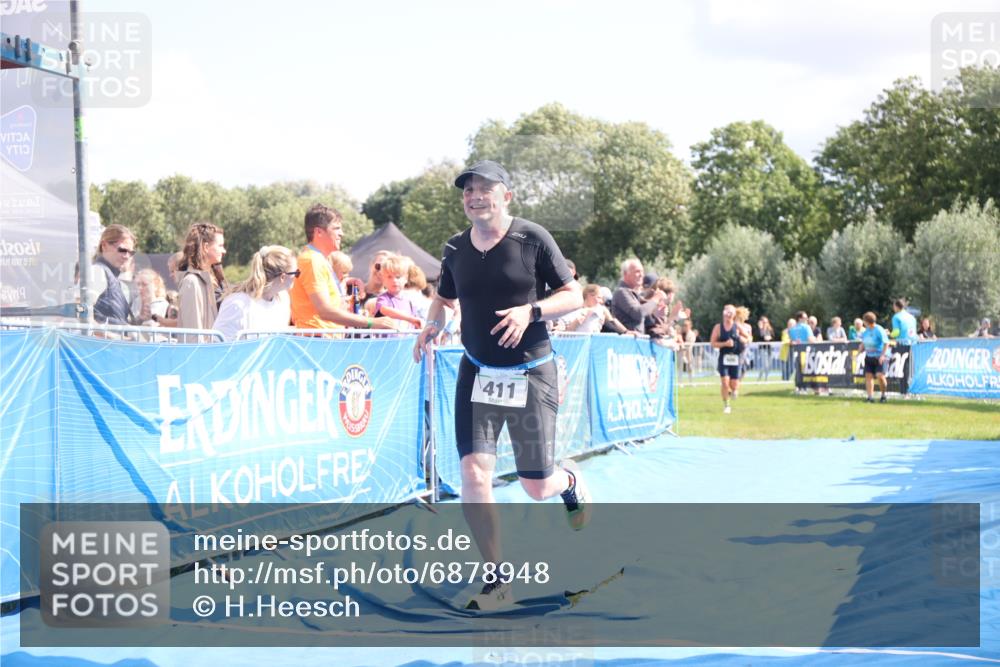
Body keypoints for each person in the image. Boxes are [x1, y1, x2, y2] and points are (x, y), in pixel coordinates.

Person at [412, 160, 588, 611]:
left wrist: (531, 312)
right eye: (467, 190)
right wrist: (433, 325)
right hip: (477, 372)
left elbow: (573, 296)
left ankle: (567, 481)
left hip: (532, 373)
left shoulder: (533, 238)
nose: (474, 196)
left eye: (484, 188)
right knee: (474, 474)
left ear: (506, 195)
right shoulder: (454, 248)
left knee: (535, 486)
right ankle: (497, 581)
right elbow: (444, 299)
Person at [289, 204, 395, 332]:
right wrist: (371, 322)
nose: (342, 234)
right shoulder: (312, 260)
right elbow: (325, 311)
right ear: (318, 232)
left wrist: (348, 282)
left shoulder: (320, 259)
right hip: (318, 342)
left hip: (325, 340)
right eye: (336, 228)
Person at [213, 246, 297, 341]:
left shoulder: (283, 299)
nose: (297, 277)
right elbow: (218, 345)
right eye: (296, 273)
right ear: (283, 277)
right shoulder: (238, 304)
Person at [177, 222, 228, 331]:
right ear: (205, 247)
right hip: (202, 348)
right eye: (220, 246)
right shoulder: (191, 282)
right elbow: (192, 332)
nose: (224, 251)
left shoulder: (216, 278)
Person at [89, 224, 136, 325]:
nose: (127, 256)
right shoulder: (97, 271)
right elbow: (79, 310)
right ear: (104, 245)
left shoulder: (112, 276)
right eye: (122, 250)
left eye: (131, 252)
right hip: (101, 340)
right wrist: (109, 335)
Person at [710, 304, 751, 414]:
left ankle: (734, 390)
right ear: (723, 313)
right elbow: (713, 343)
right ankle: (726, 405)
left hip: (736, 357)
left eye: (731, 313)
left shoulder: (737, 326)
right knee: (724, 382)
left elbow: (748, 338)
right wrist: (725, 344)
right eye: (727, 312)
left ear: (734, 315)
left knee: (734, 384)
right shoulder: (718, 327)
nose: (728, 315)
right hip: (724, 357)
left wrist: (741, 338)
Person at [611, 258, 666, 334]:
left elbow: (648, 321)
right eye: (637, 271)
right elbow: (638, 313)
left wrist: (657, 312)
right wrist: (655, 299)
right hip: (626, 343)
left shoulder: (634, 295)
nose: (641, 275)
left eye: (642, 272)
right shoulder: (621, 292)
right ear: (626, 274)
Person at [374, 254, 422, 330]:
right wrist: (409, 319)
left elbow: (415, 323)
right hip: (387, 341)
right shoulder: (383, 298)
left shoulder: (409, 301)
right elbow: (384, 310)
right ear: (383, 279)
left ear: (406, 278)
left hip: (406, 340)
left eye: (398, 277)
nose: (394, 280)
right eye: (389, 277)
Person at [560, 283, 630, 334]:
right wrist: (577, 322)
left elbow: (613, 321)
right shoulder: (575, 311)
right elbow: (566, 332)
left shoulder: (602, 310)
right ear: (589, 296)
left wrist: (626, 332)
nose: (601, 301)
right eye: (599, 298)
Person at [859, 311, 890, 403]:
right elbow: (863, 343)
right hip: (869, 357)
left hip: (879, 357)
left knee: (880, 376)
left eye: (864, 320)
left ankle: (883, 395)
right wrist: (858, 353)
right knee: (868, 376)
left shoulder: (879, 329)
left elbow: (886, 343)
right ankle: (870, 397)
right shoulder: (866, 331)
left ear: (867, 321)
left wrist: (882, 355)